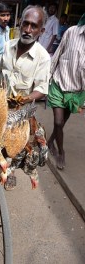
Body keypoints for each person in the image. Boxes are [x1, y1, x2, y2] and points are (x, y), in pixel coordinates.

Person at [1, 5, 51, 190]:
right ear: (20, 24)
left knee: (18, 145)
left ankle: (11, 170)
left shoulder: (43, 57)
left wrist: (25, 99)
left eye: (34, 26)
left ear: (41, 30)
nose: (28, 30)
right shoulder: (8, 46)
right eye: (26, 24)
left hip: (21, 108)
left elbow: (42, 89)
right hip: (0, 102)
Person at [47, 15, 85, 170]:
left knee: (62, 122)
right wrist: (48, 76)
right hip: (59, 81)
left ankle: (50, 142)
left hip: (76, 91)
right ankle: (61, 152)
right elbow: (58, 52)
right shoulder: (72, 31)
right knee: (58, 122)